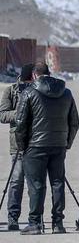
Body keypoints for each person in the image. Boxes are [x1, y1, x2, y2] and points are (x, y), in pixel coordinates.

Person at [13, 62, 79, 234]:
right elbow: (74, 122)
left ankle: (35, 222)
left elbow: (20, 123)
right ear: (49, 74)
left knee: (36, 184)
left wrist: (22, 146)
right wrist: (67, 143)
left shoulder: (28, 93)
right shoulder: (66, 93)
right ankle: (58, 223)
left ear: (35, 75)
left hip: (35, 146)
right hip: (58, 145)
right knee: (57, 183)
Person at [1, 63, 34, 230]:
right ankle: (12, 217)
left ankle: (35, 219)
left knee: (34, 183)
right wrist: (22, 111)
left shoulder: (38, 90)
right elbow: (2, 115)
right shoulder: (11, 90)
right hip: (17, 143)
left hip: (36, 142)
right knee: (16, 182)